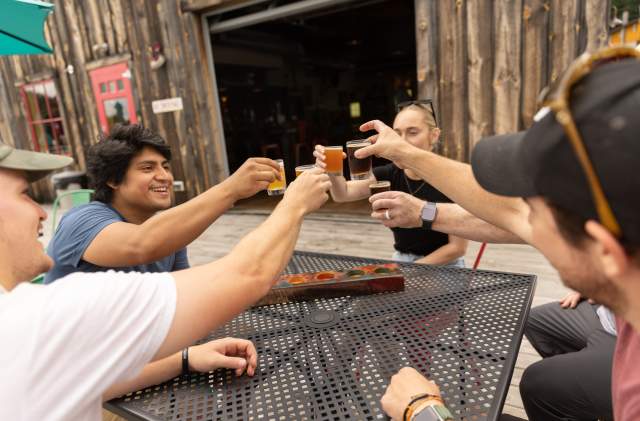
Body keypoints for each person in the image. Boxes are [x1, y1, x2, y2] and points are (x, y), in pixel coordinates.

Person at [354, 46, 640, 420]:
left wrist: (421, 411)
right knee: (538, 343)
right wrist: (423, 206)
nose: (522, 216)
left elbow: (513, 216)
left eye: (536, 208)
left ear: (605, 253)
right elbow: (511, 214)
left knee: (536, 385)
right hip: (610, 318)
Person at [0, 140, 332, 419]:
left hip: (139, 374)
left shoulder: (30, 334)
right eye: (25, 194)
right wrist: (292, 203)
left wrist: (185, 359)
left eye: (165, 166)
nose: (43, 211)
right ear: (114, 180)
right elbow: (145, 244)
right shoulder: (51, 302)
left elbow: (83, 376)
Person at [313, 101, 468, 267]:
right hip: (402, 260)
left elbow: (456, 248)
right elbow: (342, 194)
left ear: (434, 135)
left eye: (412, 132)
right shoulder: (389, 174)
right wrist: (332, 168)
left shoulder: (450, 178)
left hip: (445, 266)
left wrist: (413, 270)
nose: (402, 141)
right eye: (397, 134)